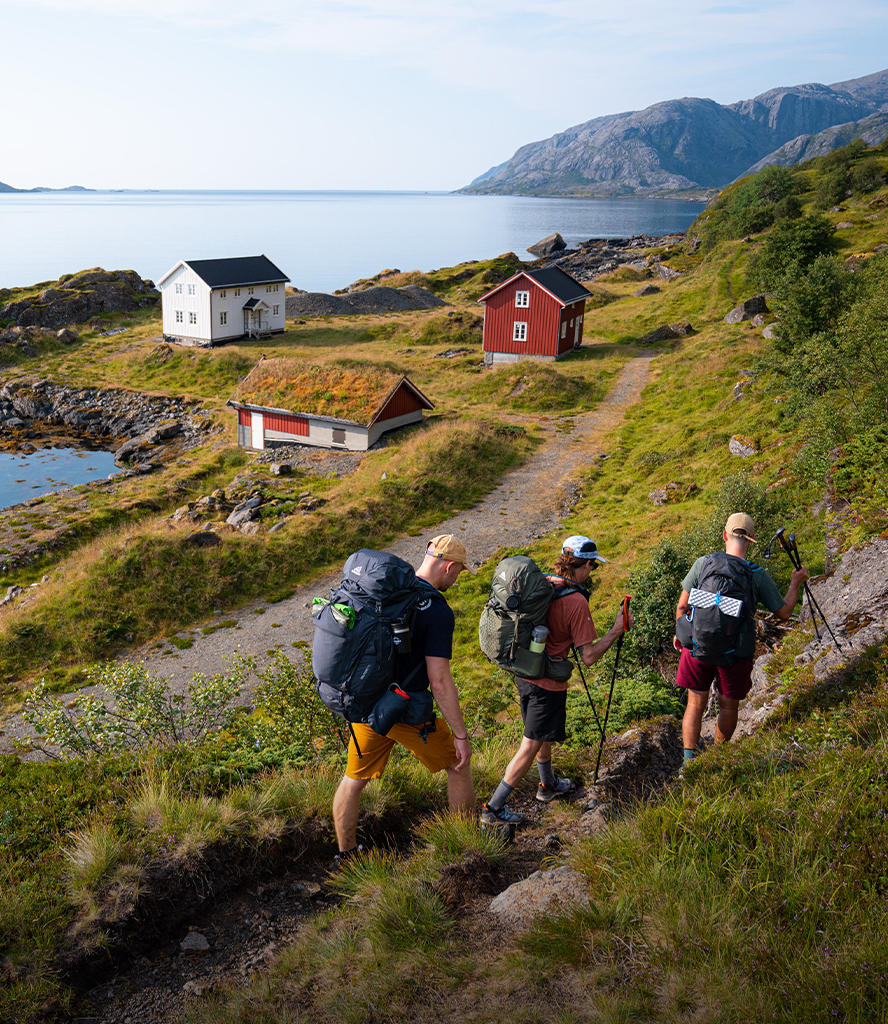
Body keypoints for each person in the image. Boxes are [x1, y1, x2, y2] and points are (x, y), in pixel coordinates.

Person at [332, 534, 476, 862]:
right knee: (459, 762)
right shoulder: (436, 610)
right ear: (450, 567)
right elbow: (439, 682)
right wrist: (461, 735)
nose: (457, 578)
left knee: (354, 778)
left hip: (366, 702)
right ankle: (467, 847)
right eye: (459, 572)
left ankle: (346, 855)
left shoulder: (390, 589)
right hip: (402, 710)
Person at [481, 535, 633, 827]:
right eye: (593, 567)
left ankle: (548, 785)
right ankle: (493, 808)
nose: (593, 572)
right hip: (547, 685)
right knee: (530, 744)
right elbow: (587, 656)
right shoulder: (575, 601)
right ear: (585, 565)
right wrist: (616, 630)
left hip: (525, 672)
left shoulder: (546, 584)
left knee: (540, 735)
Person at [672, 513, 809, 764]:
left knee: (695, 703)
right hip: (734, 654)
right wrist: (795, 583)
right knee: (727, 707)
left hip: (697, 647)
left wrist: (681, 636)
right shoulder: (757, 574)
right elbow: (785, 613)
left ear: (724, 535)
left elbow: (682, 606)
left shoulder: (702, 564)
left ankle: (689, 763)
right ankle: (718, 758)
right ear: (752, 540)